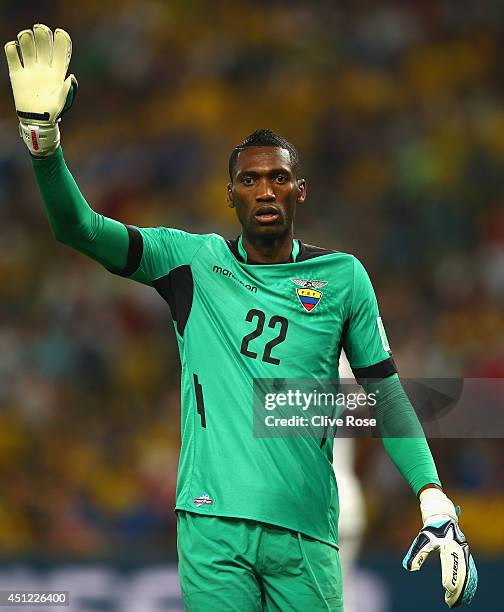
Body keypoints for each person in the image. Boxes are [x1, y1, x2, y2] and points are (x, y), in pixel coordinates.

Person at [4, 24, 478, 611]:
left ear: (300, 191)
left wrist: (432, 497)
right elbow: (77, 227)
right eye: (250, 180)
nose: (265, 191)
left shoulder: (344, 278)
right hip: (212, 524)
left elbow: (385, 394)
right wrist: (44, 146)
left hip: (305, 531)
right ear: (230, 195)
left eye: (278, 178)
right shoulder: (190, 261)